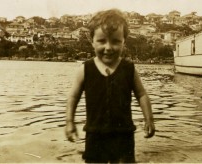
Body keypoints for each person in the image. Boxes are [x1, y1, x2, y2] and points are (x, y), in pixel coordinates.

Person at [65, 9, 155, 163]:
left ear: (124, 41)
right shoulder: (85, 69)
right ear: (91, 40)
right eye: (102, 41)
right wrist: (69, 121)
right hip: (95, 134)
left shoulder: (129, 69)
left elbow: (142, 94)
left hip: (123, 134)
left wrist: (149, 119)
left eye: (115, 41)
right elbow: (73, 96)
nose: (108, 47)